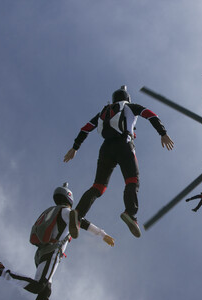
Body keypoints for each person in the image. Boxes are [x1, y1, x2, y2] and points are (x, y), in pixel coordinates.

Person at [0, 183, 115, 300]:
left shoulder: (52, 211)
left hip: (42, 252)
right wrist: (102, 234)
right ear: (69, 200)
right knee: (39, 286)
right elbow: (84, 223)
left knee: (45, 291)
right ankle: (1, 271)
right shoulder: (66, 212)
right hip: (53, 253)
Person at [63, 86, 174, 238]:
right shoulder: (129, 107)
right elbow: (150, 115)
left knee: (98, 186)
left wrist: (75, 148)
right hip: (124, 144)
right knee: (132, 180)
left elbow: (85, 128)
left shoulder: (103, 112)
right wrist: (163, 133)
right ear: (127, 99)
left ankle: (78, 213)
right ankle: (130, 213)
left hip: (105, 149)